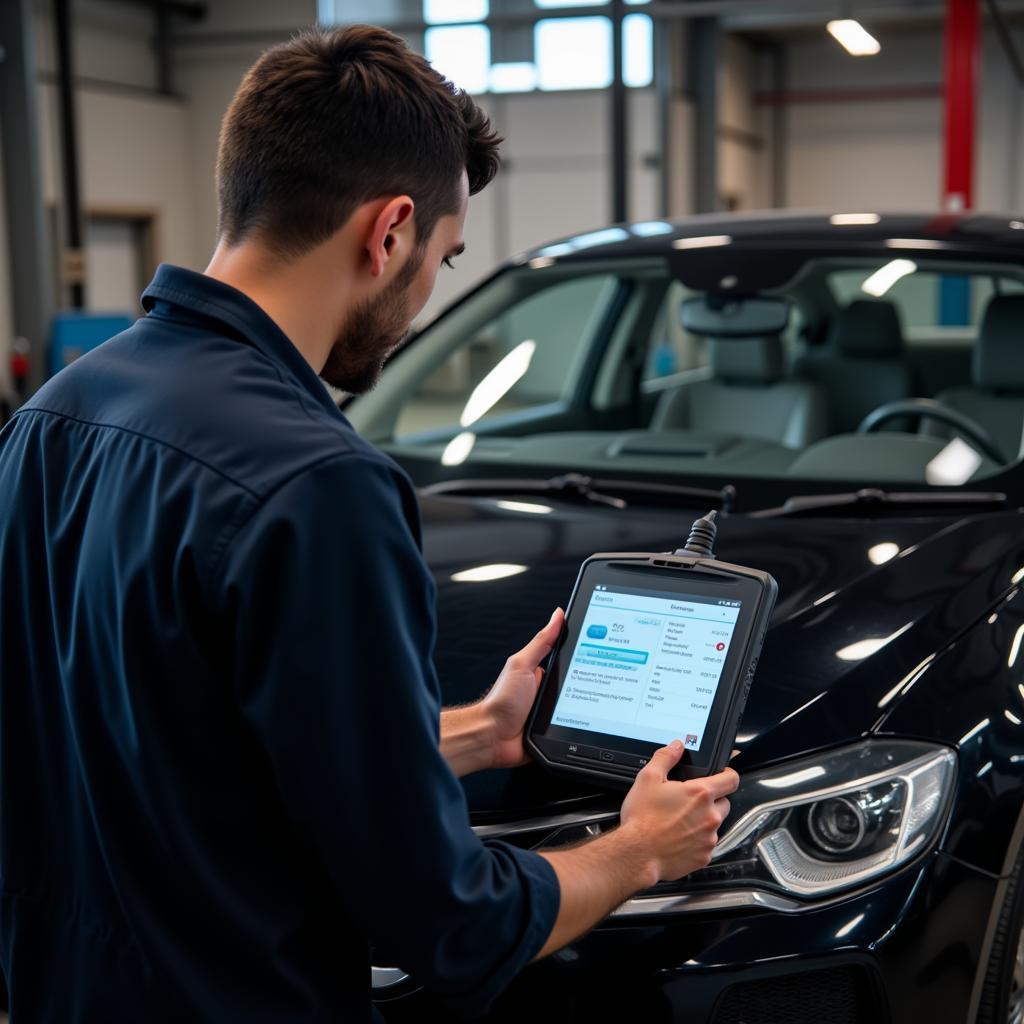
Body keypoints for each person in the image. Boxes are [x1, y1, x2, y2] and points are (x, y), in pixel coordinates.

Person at [0, 24, 739, 1022]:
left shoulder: (53, 414)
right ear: (389, 230)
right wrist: (639, 848)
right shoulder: (320, 484)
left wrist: (479, 731)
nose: (425, 289)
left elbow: (175, 750)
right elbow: (447, 921)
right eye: (442, 255)